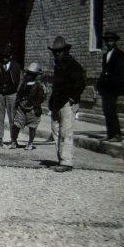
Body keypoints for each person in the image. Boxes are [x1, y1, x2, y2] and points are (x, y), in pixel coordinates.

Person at [47, 36, 85, 173]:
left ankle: (66, 162)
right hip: (57, 101)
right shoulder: (58, 64)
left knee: (65, 132)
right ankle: (61, 159)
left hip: (67, 103)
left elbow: (81, 83)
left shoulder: (73, 65)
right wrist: (51, 103)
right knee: (56, 131)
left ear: (65, 51)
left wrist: (73, 99)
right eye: (55, 52)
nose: (57, 54)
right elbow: (56, 86)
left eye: (59, 51)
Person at [96, 31, 124, 143]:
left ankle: (117, 134)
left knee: (111, 110)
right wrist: (100, 84)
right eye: (107, 41)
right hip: (106, 87)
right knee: (106, 110)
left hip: (114, 87)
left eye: (111, 40)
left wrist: (114, 81)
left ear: (115, 41)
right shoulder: (106, 55)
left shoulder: (120, 55)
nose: (109, 43)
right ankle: (110, 134)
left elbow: (122, 72)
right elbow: (104, 71)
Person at [7, 62, 46, 150]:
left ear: (34, 76)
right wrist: (18, 103)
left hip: (32, 109)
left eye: (30, 74)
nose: (27, 75)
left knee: (32, 127)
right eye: (27, 73)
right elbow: (19, 95)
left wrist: (33, 102)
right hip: (21, 108)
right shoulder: (23, 84)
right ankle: (13, 141)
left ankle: (30, 143)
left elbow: (41, 98)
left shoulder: (38, 86)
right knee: (16, 125)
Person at [0, 44, 21, 147]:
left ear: (10, 56)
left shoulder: (16, 66)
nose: (4, 58)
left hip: (11, 94)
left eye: (7, 56)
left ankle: (13, 140)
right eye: (3, 56)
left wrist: (17, 94)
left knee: (12, 117)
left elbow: (20, 81)